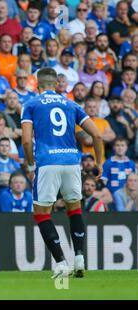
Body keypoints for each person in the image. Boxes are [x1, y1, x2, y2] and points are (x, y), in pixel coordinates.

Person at [21, 67, 103, 278]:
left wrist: (30, 164)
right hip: (71, 161)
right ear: (57, 84)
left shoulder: (30, 105)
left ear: (37, 85)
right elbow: (97, 135)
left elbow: (27, 140)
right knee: (74, 209)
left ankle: (61, 262)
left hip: (48, 161)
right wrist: (99, 163)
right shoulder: (71, 104)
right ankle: (79, 257)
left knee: (41, 214)